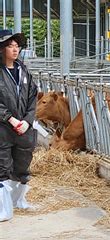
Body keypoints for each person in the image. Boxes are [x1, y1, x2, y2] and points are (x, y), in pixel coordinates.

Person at [0, 30, 38, 222]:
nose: (15, 50)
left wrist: (28, 120)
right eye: (10, 46)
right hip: (3, 129)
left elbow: (33, 97)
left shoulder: (23, 70)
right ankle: (3, 208)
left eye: (17, 46)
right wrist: (10, 119)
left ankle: (18, 200)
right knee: (2, 166)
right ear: (2, 48)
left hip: (23, 127)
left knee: (23, 164)